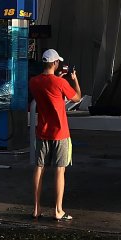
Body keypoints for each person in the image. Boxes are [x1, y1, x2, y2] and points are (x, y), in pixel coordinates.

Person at [28, 48, 81, 220]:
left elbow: (47, 88)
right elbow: (77, 98)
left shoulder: (33, 82)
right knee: (60, 171)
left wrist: (58, 80)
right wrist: (74, 80)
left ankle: (36, 208)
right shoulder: (60, 83)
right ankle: (58, 210)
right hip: (60, 133)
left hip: (42, 131)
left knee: (39, 168)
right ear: (56, 63)